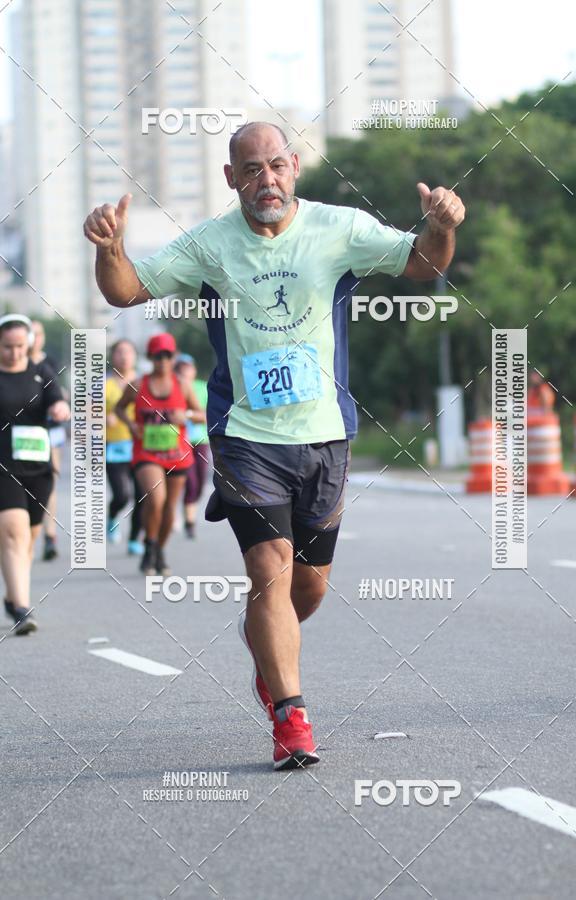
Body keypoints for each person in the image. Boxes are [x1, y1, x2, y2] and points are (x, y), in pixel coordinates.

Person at [84, 121, 465, 769]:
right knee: (270, 570)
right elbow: (125, 290)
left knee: (306, 589)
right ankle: (291, 719)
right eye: (252, 169)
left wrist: (441, 226)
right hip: (245, 436)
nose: (267, 180)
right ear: (231, 178)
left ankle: (262, 641)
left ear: (295, 168)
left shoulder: (338, 228)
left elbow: (424, 263)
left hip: (324, 435)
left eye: (277, 166)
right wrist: (111, 248)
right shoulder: (210, 244)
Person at [0, 314, 70, 634]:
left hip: (38, 468)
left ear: (28, 344)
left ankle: (13, 597)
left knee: (28, 538)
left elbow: (58, 400)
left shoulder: (41, 372)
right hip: (4, 466)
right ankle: (22, 608)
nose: (14, 353)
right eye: (7, 347)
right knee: (13, 531)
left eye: (19, 346)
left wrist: (60, 409)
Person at [114, 333, 205, 576]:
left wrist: (185, 415)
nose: (163, 361)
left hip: (177, 454)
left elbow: (202, 415)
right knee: (156, 498)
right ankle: (149, 543)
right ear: (150, 357)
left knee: (169, 508)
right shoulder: (138, 385)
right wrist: (131, 425)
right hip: (147, 453)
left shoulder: (182, 385)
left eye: (167, 356)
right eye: (157, 356)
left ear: (173, 357)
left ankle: (158, 550)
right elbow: (119, 408)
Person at [29, 319, 66, 561]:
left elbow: (59, 394)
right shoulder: (10, 362)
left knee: (49, 479)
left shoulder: (49, 364)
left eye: (39, 333)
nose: (35, 338)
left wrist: (60, 404)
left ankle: (50, 534)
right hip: (20, 432)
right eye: (31, 333)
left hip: (50, 431)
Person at [106, 339, 144, 555]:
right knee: (122, 495)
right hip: (113, 448)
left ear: (135, 356)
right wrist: (103, 417)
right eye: (119, 352)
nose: (124, 356)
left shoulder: (143, 383)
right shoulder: (103, 384)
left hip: (140, 446)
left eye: (128, 352)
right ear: (112, 356)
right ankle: (112, 516)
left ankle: (134, 539)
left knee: (142, 495)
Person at [174, 353, 209, 539]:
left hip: (201, 441)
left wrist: (187, 415)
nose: (185, 373)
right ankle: (189, 522)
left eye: (188, 368)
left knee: (200, 483)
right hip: (180, 442)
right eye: (181, 369)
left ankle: (187, 512)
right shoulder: (173, 388)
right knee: (190, 482)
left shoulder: (203, 388)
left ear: (194, 370)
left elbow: (206, 415)